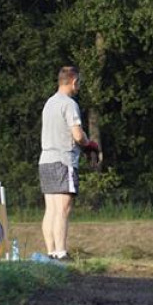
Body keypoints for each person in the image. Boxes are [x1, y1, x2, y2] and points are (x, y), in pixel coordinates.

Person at [38, 66, 99, 261]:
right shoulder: (69, 104)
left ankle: (51, 252)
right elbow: (77, 134)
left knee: (51, 209)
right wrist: (89, 145)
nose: (79, 86)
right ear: (73, 81)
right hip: (63, 161)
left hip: (45, 161)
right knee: (63, 209)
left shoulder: (49, 103)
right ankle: (62, 253)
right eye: (78, 82)